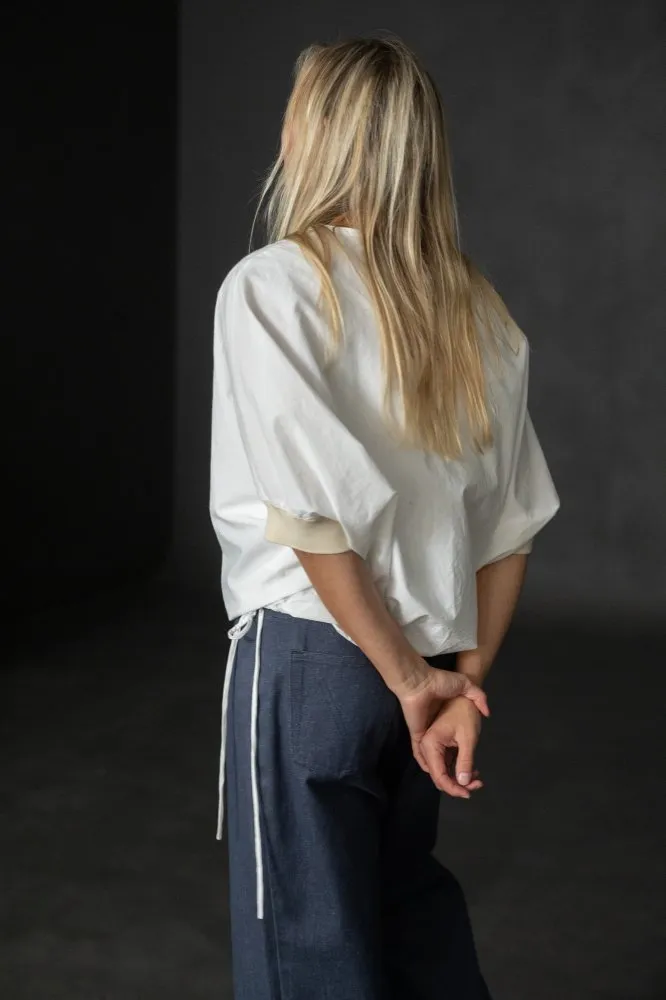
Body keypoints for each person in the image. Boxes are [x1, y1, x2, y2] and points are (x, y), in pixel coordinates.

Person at [209, 34, 559, 1000]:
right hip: (433, 660)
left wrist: (409, 682)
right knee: (408, 932)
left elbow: (314, 523)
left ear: (318, 136)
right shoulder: (474, 307)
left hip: (318, 658)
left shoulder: (272, 286)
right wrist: (457, 687)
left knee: (307, 962)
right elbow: (511, 531)